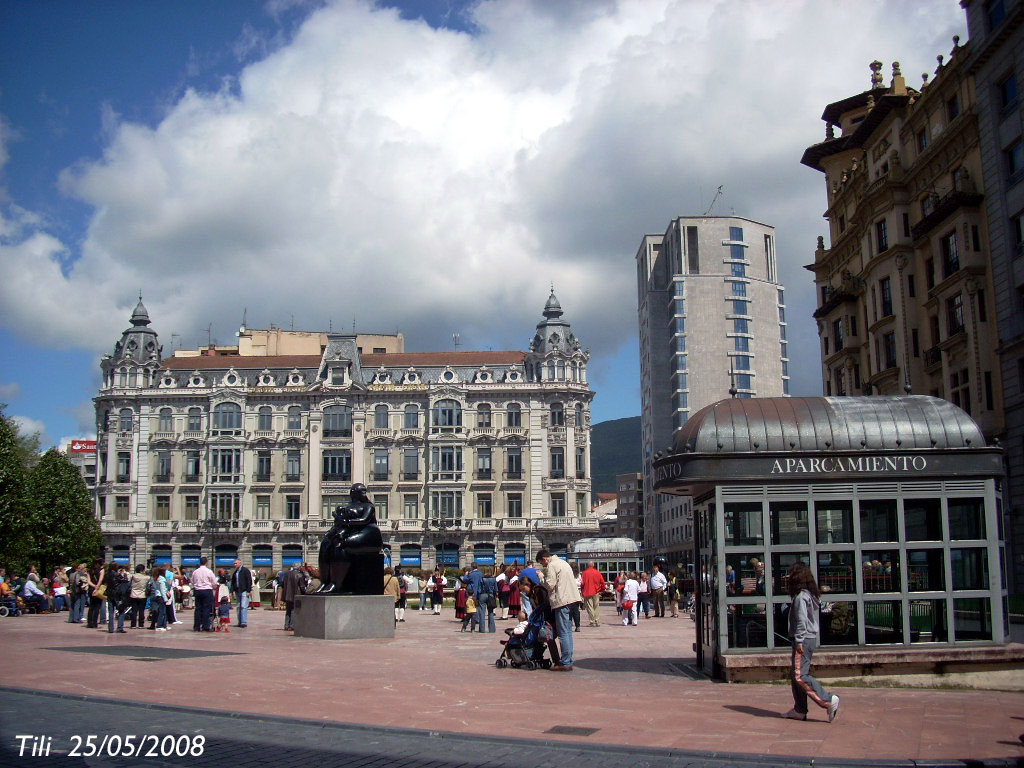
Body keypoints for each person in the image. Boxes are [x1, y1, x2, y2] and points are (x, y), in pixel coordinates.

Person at [784, 562, 840, 723]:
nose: (788, 578)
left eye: (791, 574)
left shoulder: (802, 597)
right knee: (796, 676)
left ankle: (828, 700)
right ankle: (799, 709)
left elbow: (802, 620)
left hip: (804, 639)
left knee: (800, 675)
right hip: (807, 638)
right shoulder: (808, 595)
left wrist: (799, 640)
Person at [536, 549, 581, 671]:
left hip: (562, 601)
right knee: (568, 632)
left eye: (542, 563)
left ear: (544, 559)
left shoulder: (552, 565)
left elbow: (549, 585)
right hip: (572, 599)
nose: (543, 566)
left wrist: (541, 577)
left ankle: (565, 662)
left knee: (563, 633)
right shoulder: (564, 563)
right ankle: (568, 659)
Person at [190, 556, 217, 632]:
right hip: (207, 590)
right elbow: (214, 582)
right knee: (206, 608)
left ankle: (196, 626)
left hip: (198, 590)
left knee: (198, 608)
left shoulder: (195, 572)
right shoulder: (209, 571)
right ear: (206, 563)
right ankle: (206, 626)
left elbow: (192, 581)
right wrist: (213, 587)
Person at [581, 561, 606, 627]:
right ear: (593, 565)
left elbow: (582, 583)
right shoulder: (597, 572)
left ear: (588, 565)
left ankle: (592, 621)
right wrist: (602, 589)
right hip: (596, 591)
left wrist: (582, 590)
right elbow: (602, 582)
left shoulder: (584, 573)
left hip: (588, 591)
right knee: (596, 607)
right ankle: (597, 621)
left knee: (590, 607)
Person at [230, 559, 253, 628]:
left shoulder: (245, 571)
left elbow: (249, 580)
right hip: (238, 591)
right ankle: (239, 622)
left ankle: (243, 622)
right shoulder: (235, 572)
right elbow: (233, 582)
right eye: (234, 563)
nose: (234, 565)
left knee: (243, 606)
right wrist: (231, 591)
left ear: (240, 563)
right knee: (238, 607)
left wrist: (249, 591)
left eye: (236, 563)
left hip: (244, 591)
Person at [282, 563, 305, 630]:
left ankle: (286, 625)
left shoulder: (286, 574)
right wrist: (305, 592)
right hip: (295, 595)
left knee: (288, 611)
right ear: (298, 567)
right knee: (293, 610)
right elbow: (302, 586)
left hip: (287, 595)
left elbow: (283, 584)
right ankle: (292, 625)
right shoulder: (299, 575)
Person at [475, 566, 497, 632]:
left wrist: (477, 597)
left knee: (482, 612)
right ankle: (492, 629)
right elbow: (496, 589)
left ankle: (482, 629)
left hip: (482, 595)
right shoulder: (493, 579)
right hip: (490, 595)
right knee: (491, 612)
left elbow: (479, 589)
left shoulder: (481, 579)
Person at [86, 558, 105, 627]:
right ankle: (94, 623)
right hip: (98, 589)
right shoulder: (101, 570)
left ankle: (89, 623)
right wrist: (97, 587)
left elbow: (88, 581)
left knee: (91, 606)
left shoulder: (89, 570)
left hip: (91, 589)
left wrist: (93, 586)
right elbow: (100, 580)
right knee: (97, 606)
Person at [148, 566, 169, 631]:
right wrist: (165, 599)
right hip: (161, 596)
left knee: (162, 611)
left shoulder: (156, 578)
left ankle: (164, 625)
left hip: (157, 595)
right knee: (162, 612)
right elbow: (162, 590)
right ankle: (159, 625)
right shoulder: (162, 579)